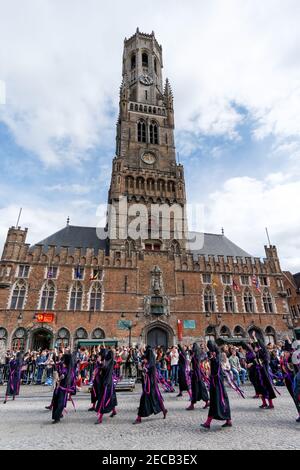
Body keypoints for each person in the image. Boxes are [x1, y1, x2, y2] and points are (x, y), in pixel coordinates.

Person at [201, 341, 232, 429]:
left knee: (219, 400)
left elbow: (217, 366)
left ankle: (210, 422)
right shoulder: (212, 355)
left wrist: (213, 358)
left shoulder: (217, 355)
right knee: (215, 401)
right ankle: (225, 420)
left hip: (217, 383)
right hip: (214, 382)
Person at [133, 346, 167, 424]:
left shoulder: (151, 365)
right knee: (155, 399)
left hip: (150, 386)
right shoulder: (148, 363)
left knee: (148, 400)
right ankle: (163, 410)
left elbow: (149, 375)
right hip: (148, 385)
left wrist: (144, 369)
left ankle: (139, 418)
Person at [252, 332, 277, 409]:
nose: (255, 348)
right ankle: (264, 403)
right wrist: (254, 337)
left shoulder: (264, 353)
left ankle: (271, 404)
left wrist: (259, 361)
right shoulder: (258, 353)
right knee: (260, 389)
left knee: (267, 388)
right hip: (259, 374)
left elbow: (265, 362)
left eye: (256, 347)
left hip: (264, 374)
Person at [95, 349, 117, 424]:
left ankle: (100, 418)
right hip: (108, 383)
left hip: (107, 384)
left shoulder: (108, 362)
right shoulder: (108, 361)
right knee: (110, 398)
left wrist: (99, 362)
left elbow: (104, 367)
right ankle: (114, 411)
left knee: (103, 400)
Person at [51, 353, 75, 423]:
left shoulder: (67, 370)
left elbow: (62, 376)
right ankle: (58, 415)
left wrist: (58, 379)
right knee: (58, 402)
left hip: (62, 389)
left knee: (59, 403)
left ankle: (57, 417)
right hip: (61, 388)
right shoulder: (69, 369)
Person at [186, 343, 209, 410]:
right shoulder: (197, 355)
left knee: (195, 389)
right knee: (201, 388)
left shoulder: (195, 356)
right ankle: (206, 402)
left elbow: (195, 365)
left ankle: (192, 404)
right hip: (198, 374)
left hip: (196, 374)